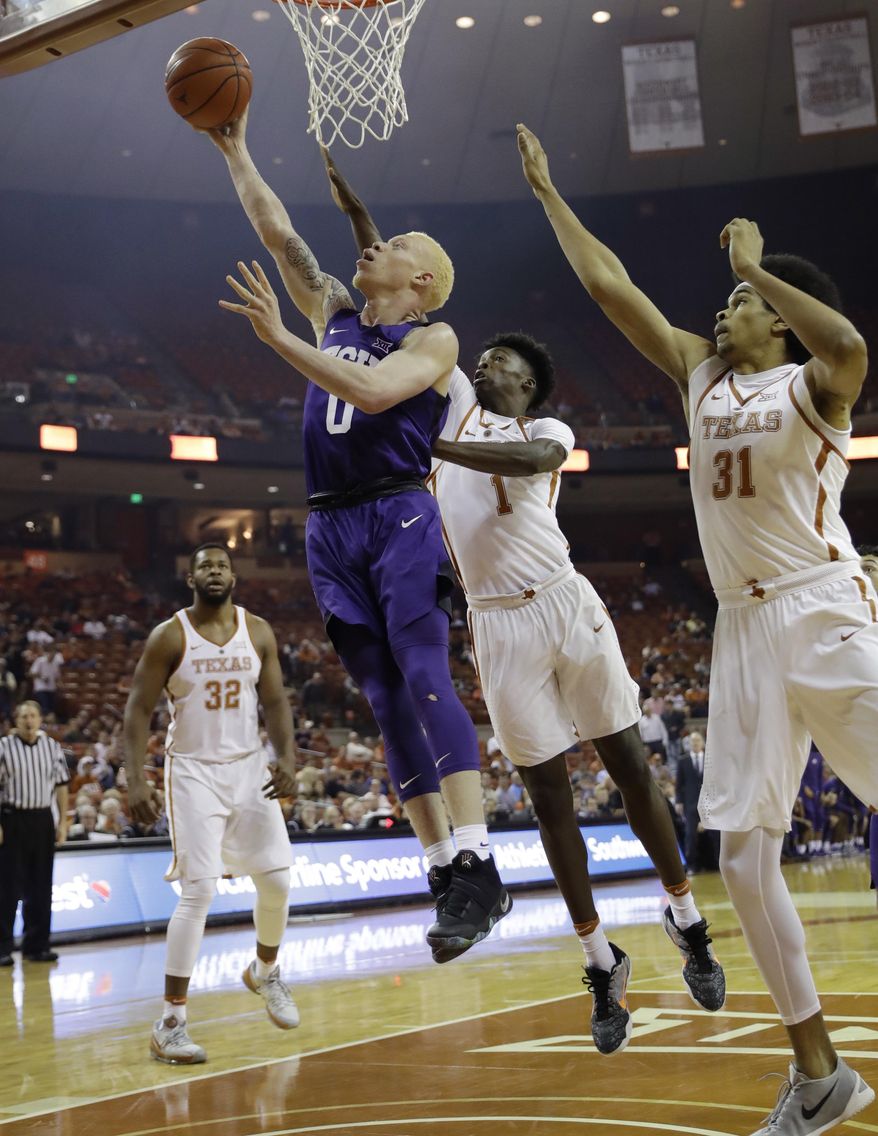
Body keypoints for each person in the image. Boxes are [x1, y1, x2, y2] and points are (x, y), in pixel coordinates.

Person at [319, 150, 725, 1056]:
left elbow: (532, 465)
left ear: (527, 385)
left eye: (503, 360)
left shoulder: (543, 428)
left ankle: (686, 917)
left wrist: (434, 458)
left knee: (628, 766)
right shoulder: (451, 398)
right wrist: (359, 221)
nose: (487, 359)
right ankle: (599, 960)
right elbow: (399, 307)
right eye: (486, 355)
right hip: (497, 624)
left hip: (566, 603)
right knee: (546, 800)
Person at [517, 122, 875, 1132]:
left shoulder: (810, 383)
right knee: (746, 858)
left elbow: (846, 343)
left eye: (741, 300)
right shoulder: (700, 373)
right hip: (741, 630)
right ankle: (817, 1074)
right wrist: (548, 195)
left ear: (779, 320)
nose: (722, 307)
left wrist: (762, 263)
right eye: (725, 295)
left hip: (820, 607)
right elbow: (609, 289)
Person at [201, 109, 510, 963]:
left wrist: (278, 341)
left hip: (397, 509)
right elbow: (277, 230)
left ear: (424, 280)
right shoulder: (335, 306)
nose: (372, 245)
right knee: (380, 698)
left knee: (421, 672)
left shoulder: (434, 337)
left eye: (393, 242)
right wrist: (235, 150)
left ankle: (482, 860)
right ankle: (443, 867)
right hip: (328, 524)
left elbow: (374, 397)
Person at [123, 544, 299, 1065]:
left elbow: (274, 701)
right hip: (193, 772)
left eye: (222, 564)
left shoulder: (259, 630)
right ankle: (171, 1022)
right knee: (197, 893)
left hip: (248, 768)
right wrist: (135, 779)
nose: (214, 571)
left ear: (235, 576)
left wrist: (285, 757)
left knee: (279, 882)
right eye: (205, 566)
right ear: (190, 577)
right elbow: (138, 710)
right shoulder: (169, 635)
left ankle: (265, 971)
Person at [0, 700, 69, 966]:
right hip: (12, 819)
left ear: (40, 719)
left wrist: (62, 822)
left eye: (33, 715)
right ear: (15, 721)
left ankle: (37, 945)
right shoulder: (4, 747)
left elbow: (62, 786)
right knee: (7, 887)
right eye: (23, 716)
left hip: (42, 819)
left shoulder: (52, 747)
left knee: (40, 887)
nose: (29, 720)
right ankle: (3, 947)